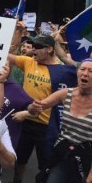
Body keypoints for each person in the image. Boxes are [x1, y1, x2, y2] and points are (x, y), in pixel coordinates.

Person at [8, 31, 77, 183]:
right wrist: (18, 33)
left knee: (45, 165)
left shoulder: (62, 71)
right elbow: (8, 55)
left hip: (46, 127)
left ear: (49, 49)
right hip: (24, 121)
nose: (33, 49)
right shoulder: (28, 62)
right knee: (19, 159)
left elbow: (79, 68)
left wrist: (59, 46)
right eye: (33, 46)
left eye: (38, 46)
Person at [28, 59, 92, 183]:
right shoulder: (65, 94)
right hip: (64, 153)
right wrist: (33, 107)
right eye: (82, 69)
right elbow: (35, 109)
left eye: (91, 71)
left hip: (86, 159)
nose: (85, 73)